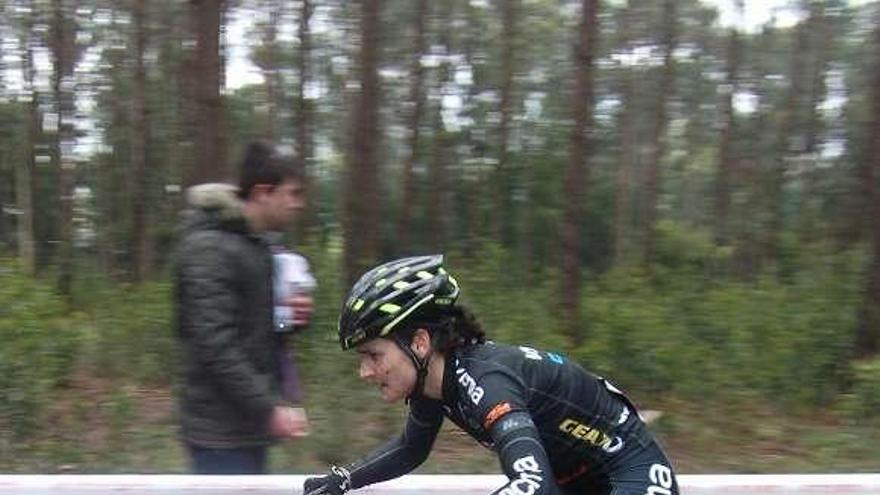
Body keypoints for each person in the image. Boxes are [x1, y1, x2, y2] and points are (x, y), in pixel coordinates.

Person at [303, 255, 679, 495]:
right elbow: (410, 448)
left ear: (419, 342)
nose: (364, 372)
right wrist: (343, 479)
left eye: (373, 355)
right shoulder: (434, 383)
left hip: (630, 473)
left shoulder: (484, 382)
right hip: (575, 480)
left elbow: (533, 485)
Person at [174, 141, 312, 474]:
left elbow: (258, 333)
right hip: (219, 436)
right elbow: (215, 346)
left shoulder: (258, 245)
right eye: (292, 193)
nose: (298, 205)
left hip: (247, 430)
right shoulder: (209, 249)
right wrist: (269, 408)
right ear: (264, 192)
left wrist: (291, 319)